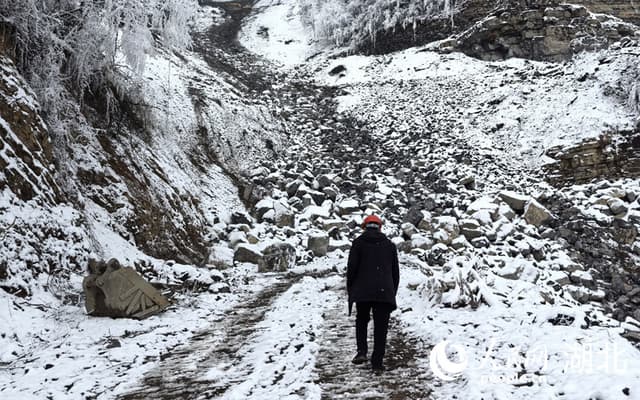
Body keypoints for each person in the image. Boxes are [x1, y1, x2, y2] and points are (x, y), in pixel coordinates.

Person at [347, 214, 400, 373]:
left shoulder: (358, 244)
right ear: (380, 227)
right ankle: (377, 362)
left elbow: (352, 270)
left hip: (363, 290)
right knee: (381, 326)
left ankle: (362, 351)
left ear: (364, 227)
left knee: (362, 319)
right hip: (383, 291)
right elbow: (395, 273)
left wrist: (352, 290)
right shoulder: (389, 245)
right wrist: (392, 292)